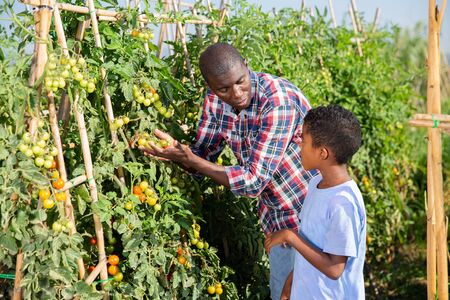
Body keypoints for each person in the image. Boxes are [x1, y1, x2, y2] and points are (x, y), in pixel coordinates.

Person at [140, 43, 317, 299]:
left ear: (247, 65)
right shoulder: (215, 103)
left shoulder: (277, 101)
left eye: (240, 82)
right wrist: (175, 153)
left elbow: (254, 181)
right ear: (210, 86)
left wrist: (194, 160)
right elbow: (202, 157)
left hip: (310, 217)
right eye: (223, 88)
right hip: (275, 221)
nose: (236, 94)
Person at [264, 104, 366, 300]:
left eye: (303, 139)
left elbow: (335, 268)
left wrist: (289, 236)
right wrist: (291, 283)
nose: (298, 144)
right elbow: (312, 244)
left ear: (322, 153)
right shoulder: (316, 183)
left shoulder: (342, 203)